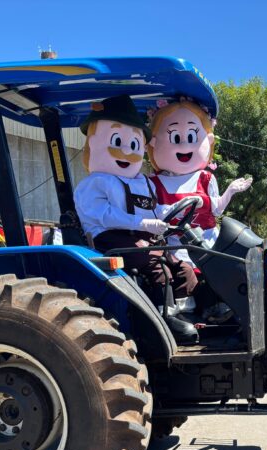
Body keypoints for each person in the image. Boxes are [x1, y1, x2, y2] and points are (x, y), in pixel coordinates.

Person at [73, 96, 199, 344]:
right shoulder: (95, 183)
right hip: (109, 240)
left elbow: (154, 210)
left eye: (133, 144)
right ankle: (162, 322)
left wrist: (175, 208)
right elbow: (103, 216)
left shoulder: (141, 183)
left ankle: (190, 315)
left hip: (143, 239)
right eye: (118, 141)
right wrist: (141, 225)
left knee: (183, 265)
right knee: (157, 266)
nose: (126, 151)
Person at [146, 99, 252, 265]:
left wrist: (230, 191)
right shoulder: (153, 183)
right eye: (175, 137)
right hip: (173, 249)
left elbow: (216, 210)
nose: (184, 145)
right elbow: (151, 214)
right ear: (153, 142)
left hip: (208, 243)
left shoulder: (205, 178)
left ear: (208, 139)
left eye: (191, 136)